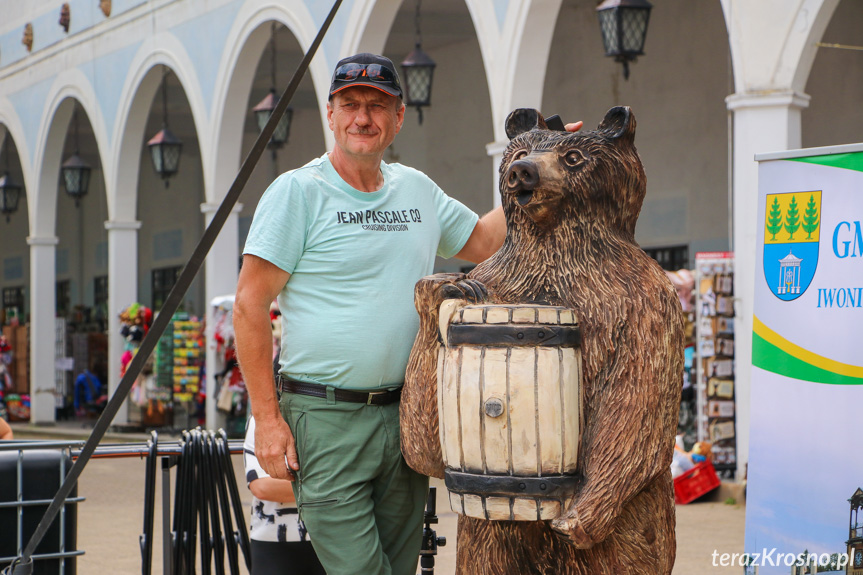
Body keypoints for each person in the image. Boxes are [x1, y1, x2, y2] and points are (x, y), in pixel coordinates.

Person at [234, 52, 582, 574]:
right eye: (350, 104)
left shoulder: (416, 190)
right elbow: (248, 305)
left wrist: (542, 157)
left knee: (399, 569)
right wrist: (266, 419)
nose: (362, 117)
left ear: (397, 119)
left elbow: (486, 240)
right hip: (324, 418)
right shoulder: (298, 193)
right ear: (330, 114)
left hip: (406, 418)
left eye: (378, 106)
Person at [243, 416, 325, 575]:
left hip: (336, 537)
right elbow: (262, 487)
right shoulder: (264, 419)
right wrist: (333, 487)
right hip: (274, 539)